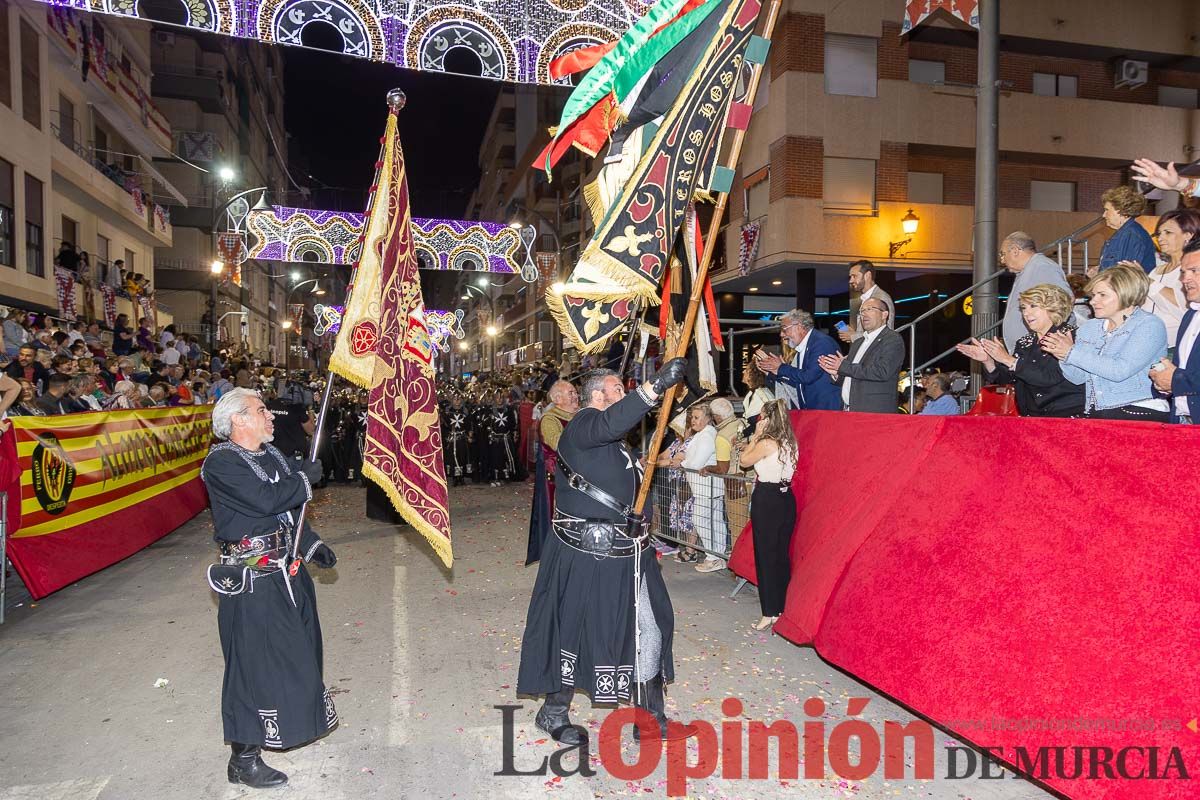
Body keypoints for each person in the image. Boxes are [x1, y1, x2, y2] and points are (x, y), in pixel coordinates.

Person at [517, 360, 697, 747]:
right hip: (588, 555)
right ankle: (552, 713)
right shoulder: (583, 426)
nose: (625, 395)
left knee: (651, 627)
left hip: (631, 555)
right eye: (619, 390)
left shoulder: (616, 443)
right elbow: (610, 421)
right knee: (575, 631)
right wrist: (651, 389)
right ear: (599, 396)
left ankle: (650, 720)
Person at [200, 389, 336, 788]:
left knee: (299, 652)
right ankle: (243, 758)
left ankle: (291, 724)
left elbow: (289, 511)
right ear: (238, 420)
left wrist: (312, 545)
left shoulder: (271, 455)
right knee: (252, 665)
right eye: (262, 411)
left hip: (287, 570)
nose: (270, 416)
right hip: (252, 579)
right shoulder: (221, 462)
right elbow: (263, 500)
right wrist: (302, 481)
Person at [1043, 263, 1168, 421]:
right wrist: (1062, 355)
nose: (1093, 301)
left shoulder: (1149, 325)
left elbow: (1120, 370)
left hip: (1140, 411)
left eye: (1102, 295)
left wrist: (1071, 353)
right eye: (1093, 295)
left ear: (1125, 293)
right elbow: (1077, 377)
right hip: (1097, 411)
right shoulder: (1090, 327)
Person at [958, 285, 1084, 417]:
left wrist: (1007, 359)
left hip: (1066, 417)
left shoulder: (1070, 338)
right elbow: (1010, 379)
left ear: (1054, 307)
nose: (1026, 313)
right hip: (1031, 417)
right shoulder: (1025, 342)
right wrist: (988, 361)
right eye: (1023, 308)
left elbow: (1050, 378)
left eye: (1033, 306)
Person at [738, 399, 797, 631]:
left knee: (765, 555)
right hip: (786, 497)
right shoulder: (790, 442)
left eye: (762, 417)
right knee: (781, 555)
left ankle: (769, 611)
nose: (759, 421)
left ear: (768, 419)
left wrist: (755, 437)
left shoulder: (766, 442)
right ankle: (781, 606)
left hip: (767, 498)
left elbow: (744, 462)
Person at [818, 299, 905, 413]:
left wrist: (843, 366)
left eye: (869, 309)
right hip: (850, 410)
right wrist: (838, 374)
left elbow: (882, 371)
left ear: (884, 315)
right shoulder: (858, 342)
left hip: (874, 413)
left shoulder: (892, 339)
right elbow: (854, 374)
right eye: (862, 311)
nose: (864, 314)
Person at [527, 380, 579, 565]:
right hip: (559, 482)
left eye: (575, 392)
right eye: (571, 393)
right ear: (557, 399)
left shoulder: (580, 415)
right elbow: (558, 443)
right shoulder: (550, 419)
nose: (575, 396)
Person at [1150, 240, 1200, 422]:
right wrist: (1163, 383)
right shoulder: (1189, 317)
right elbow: (1181, 371)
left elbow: (1181, 378)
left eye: (1194, 271)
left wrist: (1175, 380)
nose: (1185, 279)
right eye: (1183, 272)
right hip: (1182, 423)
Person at [999, 231, 1071, 351]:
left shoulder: (1042, 267)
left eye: (1003, 254)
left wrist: (1046, 339)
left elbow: (1065, 301)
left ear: (1015, 251)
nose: (1002, 260)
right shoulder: (1026, 271)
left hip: (1039, 351)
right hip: (1027, 350)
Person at [755, 309, 840, 411]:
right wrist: (775, 372)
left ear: (799, 326)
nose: (781, 334)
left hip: (826, 410)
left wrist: (781, 367)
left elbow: (808, 377)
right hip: (813, 410)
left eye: (784, 329)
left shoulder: (821, 343)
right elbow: (798, 383)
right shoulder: (804, 346)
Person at [1143, 208, 1199, 352]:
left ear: (1188, 235)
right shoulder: (1156, 271)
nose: (1160, 238)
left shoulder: (1193, 272)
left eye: (1168, 232)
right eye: (1159, 233)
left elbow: (1182, 305)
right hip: (1146, 342)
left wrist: (1146, 281)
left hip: (1173, 345)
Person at [1095, 185, 1157, 274]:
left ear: (1121, 210)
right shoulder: (1124, 234)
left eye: (1107, 210)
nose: (1104, 215)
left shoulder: (1132, 235)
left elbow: (1127, 277)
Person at [840, 260, 894, 342]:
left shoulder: (881, 298)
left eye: (854, 276)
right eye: (850, 277)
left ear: (867, 275)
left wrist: (853, 336)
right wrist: (854, 334)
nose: (850, 281)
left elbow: (883, 335)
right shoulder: (866, 298)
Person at [442, 393, 475, 486]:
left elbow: (469, 424)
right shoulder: (448, 412)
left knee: (462, 457)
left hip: (462, 438)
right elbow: (444, 426)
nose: (457, 401)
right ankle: (455, 478)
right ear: (452, 400)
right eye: (455, 399)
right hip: (452, 438)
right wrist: (447, 435)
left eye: (459, 399)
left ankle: (461, 477)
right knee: (453, 458)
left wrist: (470, 434)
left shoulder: (465, 411)